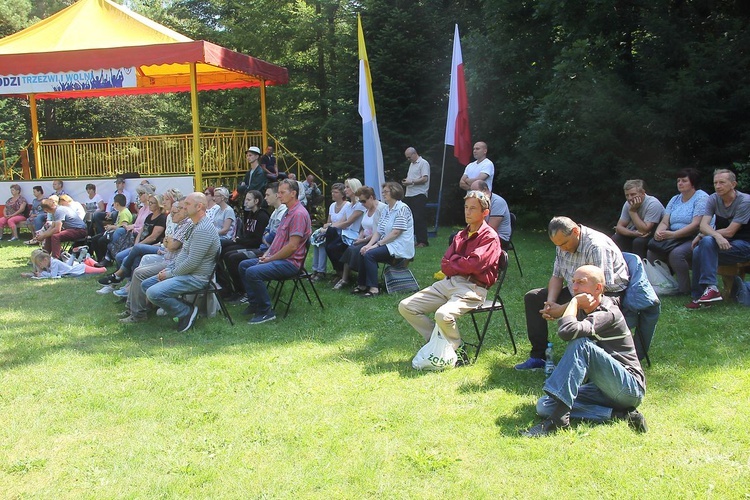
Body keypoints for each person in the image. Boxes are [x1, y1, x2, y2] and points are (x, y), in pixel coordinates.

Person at [521, 265, 647, 437]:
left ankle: (558, 421)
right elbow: (566, 330)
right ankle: (619, 414)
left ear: (598, 288)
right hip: (601, 388)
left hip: (629, 388)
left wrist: (572, 302)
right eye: (573, 282)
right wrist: (574, 304)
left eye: (581, 282)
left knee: (581, 344)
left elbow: (568, 332)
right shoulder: (581, 310)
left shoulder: (608, 312)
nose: (574, 287)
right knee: (544, 405)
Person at [399, 190, 500, 366]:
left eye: (473, 208)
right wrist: (459, 263)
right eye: (466, 207)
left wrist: (455, 262)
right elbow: (445, 264)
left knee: (443, 314)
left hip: (473, 288)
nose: (467, 212)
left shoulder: (489, 237)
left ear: (485, 212)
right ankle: (436, 341)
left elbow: (475, 265)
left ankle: (458, 349)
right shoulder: (461, 235)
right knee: (407, 306)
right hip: (449, 282)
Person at [515, 216, 629, 370]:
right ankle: (538, 356)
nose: (562, 248)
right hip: (576, 290)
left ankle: (585, 362)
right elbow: (557, 276)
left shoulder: (595, 246)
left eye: (564, 244)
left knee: (586, 307)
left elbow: (599, 289)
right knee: (533, 298)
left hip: (604, 294)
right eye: (557, 245)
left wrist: (562, 310)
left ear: (575, 231)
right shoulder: (561, 243)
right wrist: (550, 304)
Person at [141, 192, 220, 332]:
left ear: (199, 207)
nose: (183, 207)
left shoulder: (203, 229)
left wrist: (170, 274)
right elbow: (183, 254)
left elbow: (192, 263)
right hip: (186, 273)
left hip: (197, 277)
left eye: (187, 205)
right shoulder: (193, 225)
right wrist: (169, 269)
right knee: (146, 285)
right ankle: (183, 309)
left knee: (153, 292)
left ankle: (186, 312)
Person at [238, 179, 312, 325]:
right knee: (243, 265)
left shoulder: (298, 214)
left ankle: (266, 311)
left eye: (282, 192)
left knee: (252, 272)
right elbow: (277, 240)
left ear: (293, 193)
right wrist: (267, 255)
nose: (279, 195)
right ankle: (255, 304)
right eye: (278, 192)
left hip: (290, 263)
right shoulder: (287, 212)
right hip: (278, 258)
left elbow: (292, 247)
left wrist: (270, 259)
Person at [120, 199, 193, 324]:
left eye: (175, 213)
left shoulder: (187, 225)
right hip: (168, 258)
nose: (171, 215)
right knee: (139, 263)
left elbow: (172, 245)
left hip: (173, 263)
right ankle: (133, 308)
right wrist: (168, 242)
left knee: (139, 271)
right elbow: (167, 241)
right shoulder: (180, 225)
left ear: (184, 212)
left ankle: (138, 314)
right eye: (172, 213)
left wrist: (168, 242)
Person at [687, 169, 750, 308]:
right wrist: (714, 235)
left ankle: (706, 292)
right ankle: (703, 294)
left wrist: (706, 234)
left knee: (704, 244)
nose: (718, 186)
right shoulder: (713, 198)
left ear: (733, 184)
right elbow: (703, 225)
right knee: (700, 249)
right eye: (715, 183)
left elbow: (730, 231)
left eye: (722, 182)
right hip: (723, 245)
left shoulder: (744, 201)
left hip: (745, 246)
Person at [647, 169, 709, 294]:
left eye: (684, 181)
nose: (680, 183)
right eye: (678, 181)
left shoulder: (701, 197)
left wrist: (673, 234)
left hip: (694, 236)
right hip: (673, 236)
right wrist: (658, 233)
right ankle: (664, 285)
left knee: (677, 254)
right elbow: (665, 222)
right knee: (652, 251)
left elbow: (696, 224)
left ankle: (684, 289)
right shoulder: (675, 199)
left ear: (693, 183)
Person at [352, 181, 415, 298]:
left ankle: (374, 288)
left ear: (394, 192)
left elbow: (396, 232)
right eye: (383, 192)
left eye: (386, 191)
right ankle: (362, 285)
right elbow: (379, 231)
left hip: (399, 246)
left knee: (370, 254)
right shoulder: (386, 209)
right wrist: (368, 245)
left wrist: (377, 245)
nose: (383, 194)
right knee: (363, 251)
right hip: (388, 243)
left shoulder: (402, 208)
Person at [220, 190, 270, 299]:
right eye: (245, 199)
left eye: (248, 200)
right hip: (246, 243)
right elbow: (246, 234)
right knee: (223, 250)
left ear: (256, 201)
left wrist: (239, 241)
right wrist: (239, 239)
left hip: (256, 248)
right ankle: (228, 287)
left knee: (231, 256)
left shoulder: (262, 216)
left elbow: (256, 240)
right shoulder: (250, 214)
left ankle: (242, 290)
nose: (245, 202)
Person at [334, 186, 386, 290]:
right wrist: (360, 236)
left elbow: (379, 232)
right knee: (350, 248)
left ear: (371, 197)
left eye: (363, 201)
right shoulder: (367, 209)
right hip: (365, 238)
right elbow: (363, 226)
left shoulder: (381, 209)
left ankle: (359, 282)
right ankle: (346, 279)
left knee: (358, 250)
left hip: (376, 240)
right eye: (360, 201)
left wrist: (363, 241)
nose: (362, 204)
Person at [612, 179, 665, 258]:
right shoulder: (628, 203)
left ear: (643, 193)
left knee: (639, 242)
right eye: (627, 195)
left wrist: (632, 212)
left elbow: (645, 230)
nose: (630, 198)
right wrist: (634, 233)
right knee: (616, 238)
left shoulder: (653, 204)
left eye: (633, 194)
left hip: (655, 234)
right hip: (638, 232)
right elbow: (619, 227)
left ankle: (640, 268)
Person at [324, 178, 365, 279]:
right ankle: (339, 271)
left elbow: (348, 222)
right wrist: (329, 226)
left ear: (354, 188)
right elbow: (342, 221)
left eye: (347, 187)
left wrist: (330, 226)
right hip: (347, 233)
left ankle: (342, 272)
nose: (345, 190)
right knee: (328, 245)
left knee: (332, 245)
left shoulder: (360, 205)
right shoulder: (350, 205)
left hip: (356, 234)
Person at [311, 182, 350, 281]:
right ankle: (315, 269)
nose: (333, 194)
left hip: (341, 233)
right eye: (332, 192)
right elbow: (328, 222)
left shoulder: (347, 206)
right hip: (331, 231)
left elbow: (344, 223)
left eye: (336, 192)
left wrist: (328, 227)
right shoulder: (332, 205)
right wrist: (326, 227)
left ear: (342, 194)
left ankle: (321, 271)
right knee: (317, 242)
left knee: (323, 243)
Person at [402, 147, 430, 248]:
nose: (408, 159)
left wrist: (411, 181)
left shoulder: (423, 163)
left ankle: (422, 241)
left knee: (419, 218)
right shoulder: (411, 164)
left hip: (419, 194)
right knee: (409, 219)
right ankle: (414, 240)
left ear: (415, 154)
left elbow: (424, 178)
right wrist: (407, 182)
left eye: (409, 157)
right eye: (407, 158)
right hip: (409, 194)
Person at [471, 179, 511, 244]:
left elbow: (491, 228)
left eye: (475, 192)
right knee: (456, 238)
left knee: (469, 242)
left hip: (498, 237)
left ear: (484, 189)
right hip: (483, 234)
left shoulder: (498, 202)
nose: (473, 195)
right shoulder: (478, 202)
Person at [28, 250, 105, 278]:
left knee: (102, 270)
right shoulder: (49, 263)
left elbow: (53, 275)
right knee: (88, 263)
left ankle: (97, 264)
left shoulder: (54, 263)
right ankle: (90, 261)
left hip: (81, 269)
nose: (40, 266)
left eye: (40, 264)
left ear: (45, 260)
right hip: (76, 268)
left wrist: (42, 274)